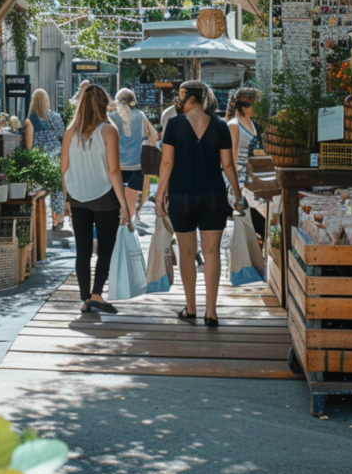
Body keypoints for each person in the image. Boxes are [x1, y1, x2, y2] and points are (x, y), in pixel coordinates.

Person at [155, 81, 243, 326]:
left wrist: (160, 195)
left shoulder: (174, 125)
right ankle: (211, 312)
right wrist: (238, 195)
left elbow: (167, 163)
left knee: (187, 252)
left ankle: (191, 308)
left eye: (182, 98)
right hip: (213, 196)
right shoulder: (220, 126)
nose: (179, 103)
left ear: (192, 99)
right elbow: (228, 165)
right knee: (212, 252)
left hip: (181, 196)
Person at [61, 84, 132, 314]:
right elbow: (114, 171)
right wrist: (124, 205)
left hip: (78, 197)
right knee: (105, 249)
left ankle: (85, 300)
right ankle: (97, 294)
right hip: (105, 198)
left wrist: (66, 199)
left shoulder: (70, 132)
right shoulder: (109, 131)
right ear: (104, 105)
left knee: (82, 251)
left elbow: (64, 169)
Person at [109, 88, 158, 227]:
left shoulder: (111, 117)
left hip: (116, 166)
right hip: (136, 165)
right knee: (130, 209)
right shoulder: (140, 116)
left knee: (115, 207)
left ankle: (117, 235)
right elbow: (154, 135)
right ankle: (128, 231)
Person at [226, 87, 265, 237]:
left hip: (256, 181)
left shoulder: (254, 124)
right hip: (243, 184)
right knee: (250, 228)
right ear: (245, 106)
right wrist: (237, 191)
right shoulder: (234, 125)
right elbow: (231, 160)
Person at [25, 89, 66, 229]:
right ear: (46, 101)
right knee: (57, 188)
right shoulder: (54, 117)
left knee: (39, 187)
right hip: (55, 156)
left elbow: (29, 144)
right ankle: (57, 218)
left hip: (40, 158)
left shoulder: (30, 119)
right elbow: (62, 135)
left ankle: (37, 217)